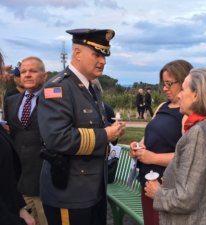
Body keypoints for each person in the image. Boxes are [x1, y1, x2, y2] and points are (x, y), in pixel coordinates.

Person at [37, 28, 125, 225]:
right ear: (77, 53)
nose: (103, 61)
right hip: (69, 193)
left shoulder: (91, 87)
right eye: (97, 54)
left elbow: (92, 124)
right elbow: (57, 138)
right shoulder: (57, 88)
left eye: (104, 55)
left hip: (93, 189)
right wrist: (105, 135)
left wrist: (113, 130)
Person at [144, 68, 206, 225]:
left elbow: (185, 199)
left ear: (196, 95)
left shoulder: (199, 133)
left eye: (183, 89)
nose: (179, 95)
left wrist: (157, 193)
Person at [129, 59, 193, 225]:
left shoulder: (187, 115)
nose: (165, 88)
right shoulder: (162, 106)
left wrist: (153, 158)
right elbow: (150, 136)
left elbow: (189, 157)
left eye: (169, 83)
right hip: (148, 184)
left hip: (167, 188)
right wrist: (139, 146)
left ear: (184, 81)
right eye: (163, 83)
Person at [4, 56, 48, 225]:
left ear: (44, 76)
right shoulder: (11, 101)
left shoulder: (55, 101)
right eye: (23, 71)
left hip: (44, 181)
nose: (27, 75)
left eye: (33, 71)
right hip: (19, 182)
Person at [0, 51, 35, 225]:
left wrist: (19, 207)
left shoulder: (51, 99)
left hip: (35, 182)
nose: (4, 76)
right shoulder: (11, 99)